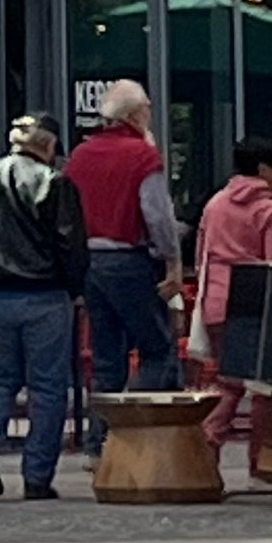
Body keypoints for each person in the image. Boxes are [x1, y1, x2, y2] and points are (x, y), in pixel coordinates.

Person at [0, 114, 90, 500]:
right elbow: (70, 243)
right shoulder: (56, 182)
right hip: (44, 294)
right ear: (48, 146)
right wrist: (75, 287)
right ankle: (37, 475)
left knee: (0, 375)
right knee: (47, 387)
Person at [67, 79, 184, 452]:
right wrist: (173, 262)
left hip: (90, 261)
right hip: (128, 260)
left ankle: (98, 442)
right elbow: (157, 215)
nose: (151, 112)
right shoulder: (142, 156)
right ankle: (129, 434)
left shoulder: (80, 156)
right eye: (148, 106)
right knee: (157, 348)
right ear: (134, 114)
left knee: (106, 357)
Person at [195, 137, 272, 462]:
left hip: (215, 302)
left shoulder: (215, 204)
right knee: (262, 387)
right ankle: (260, 462)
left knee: (228, 381)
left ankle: (204, 456)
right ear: (264, 169)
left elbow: (201, 257)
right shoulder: (271, 211)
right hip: (252, 305)